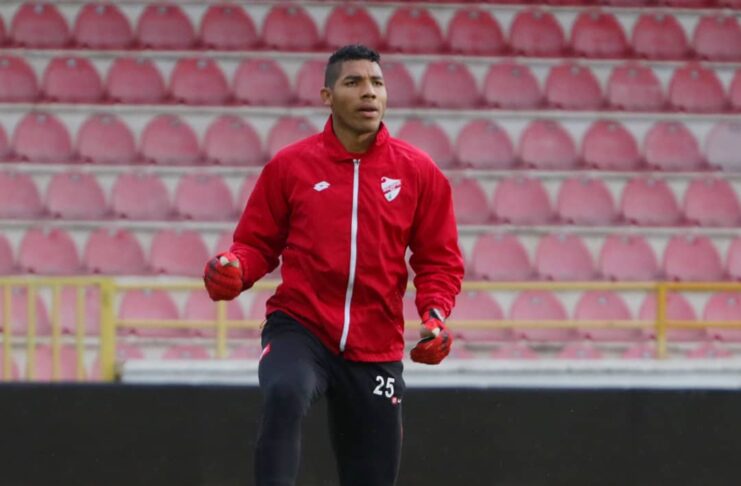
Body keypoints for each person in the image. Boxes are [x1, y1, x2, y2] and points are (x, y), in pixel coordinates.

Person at [203, 44, 464, 486]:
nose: (369, 92)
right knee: (285, 392)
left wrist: (435, 315)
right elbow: (255, 244)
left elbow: (439, 260)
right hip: (300, 327)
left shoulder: (419, 171)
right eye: (354, 82)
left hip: (376, 344)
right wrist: (234, 269)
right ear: (327, 96)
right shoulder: (290, 166)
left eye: (377, 83)